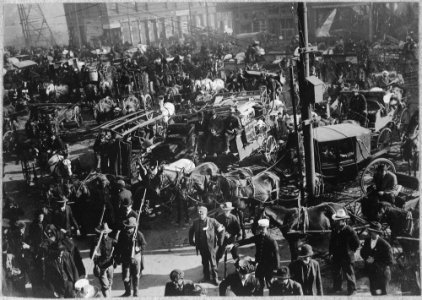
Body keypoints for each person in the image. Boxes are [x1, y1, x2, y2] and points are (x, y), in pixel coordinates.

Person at [227, 219, 280, 291]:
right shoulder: (258, 237)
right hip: (259, 265)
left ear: (267, 227)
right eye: (260, 228)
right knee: (258, 284)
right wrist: (233, 244)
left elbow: (277, 256)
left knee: (269, 284)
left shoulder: (272, 241)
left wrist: (276, 269)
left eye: (263, 228)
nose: (261, 230)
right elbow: (246, 241)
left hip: (269, 267)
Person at [189, 206, 224, 285]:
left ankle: (215, 278)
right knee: (204, 262)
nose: (200, 215)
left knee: (213, 263)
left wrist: (220, 242)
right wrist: (191, 241)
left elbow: (222, 229)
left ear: (206, 213)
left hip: (211, 247)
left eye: (202, 214)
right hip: (201, 246)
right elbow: (191, 231)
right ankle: (206, 277)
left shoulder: (212, 221)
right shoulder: (196, 222)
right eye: (199, 214)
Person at [329, 208, 360, 295]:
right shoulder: (335, 230)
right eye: (337, 220)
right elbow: (331, 242)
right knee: (337, 273)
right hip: (336, 255)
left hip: (347, 256)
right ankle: (337, 288)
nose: (338, 222)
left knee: (349, 273)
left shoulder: (349, 230)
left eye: (340, 220)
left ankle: (352, 290)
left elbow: (357, 243)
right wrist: (331, 253)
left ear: (344, 220)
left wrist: (351, 251)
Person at [115, 217, 146, 297]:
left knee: (136, 275)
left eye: (130, 227)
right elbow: (118, 246)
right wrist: (117, 257)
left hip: (136, 257)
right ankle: (127, 292)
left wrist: (138, 248)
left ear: (134, 227)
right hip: (125, 258)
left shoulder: (138, 234)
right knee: (126, 277)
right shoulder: (122, 234)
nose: (128, 229)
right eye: (127, 227)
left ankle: (136, 293)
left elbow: (144, 244)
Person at [360, 222, 393, 295]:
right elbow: (363, 252)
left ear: (378, 233)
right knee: (373, 292)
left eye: (374, 232)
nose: (372, 234)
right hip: (371, 271)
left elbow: (389, 260)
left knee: (383, 292)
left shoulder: (385, 245)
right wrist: (367, 258)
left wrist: (375, 260)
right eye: (371, 231)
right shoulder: (367, 240)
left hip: (381, 272)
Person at [90, 223, 117, 297]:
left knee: (110, 283)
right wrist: (95, 257)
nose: (104, 235)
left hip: (110, 265)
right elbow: (91, 255)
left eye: (106, 233)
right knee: (105, 285)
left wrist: (115, 260)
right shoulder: (96, 243)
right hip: (101, 266)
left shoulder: (111, 240)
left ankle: (109, 296)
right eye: (103, 233)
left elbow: (117, 250)